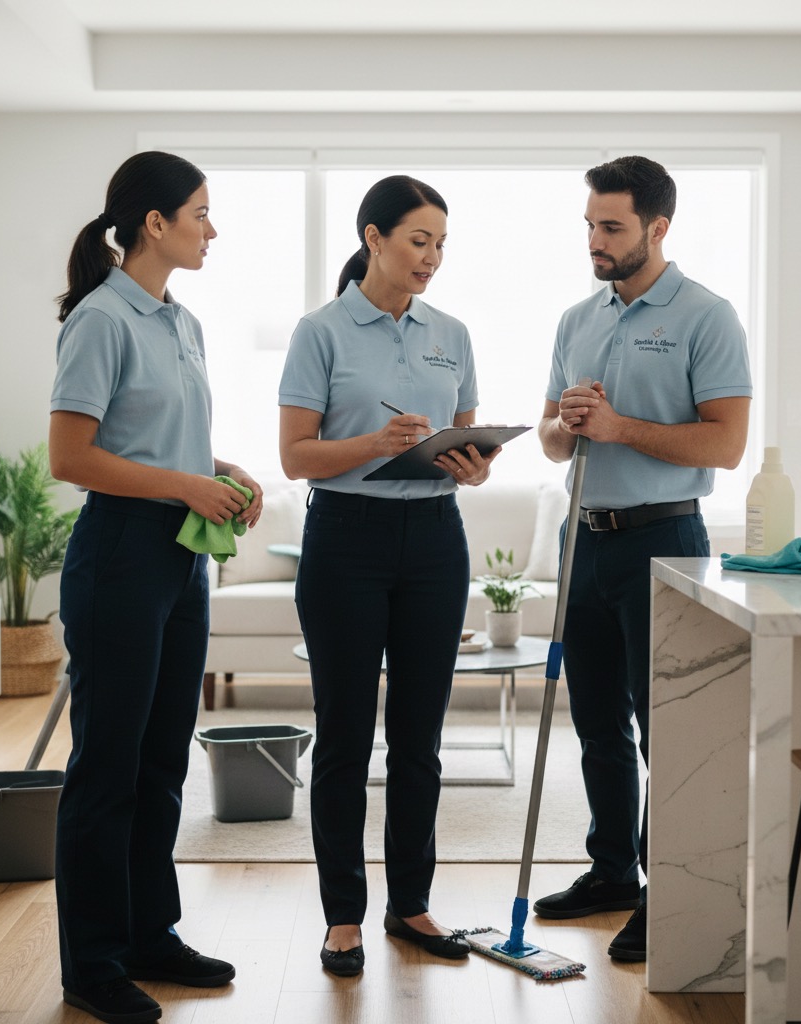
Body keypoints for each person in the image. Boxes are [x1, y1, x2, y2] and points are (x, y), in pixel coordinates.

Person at [49, 150, 263, 1024]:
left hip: (179, 558)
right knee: (108, 766)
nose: (212, 229)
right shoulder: (102, 319)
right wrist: (185, 485)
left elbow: (155, 440)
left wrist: (219, 470)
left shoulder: (183, 322)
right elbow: (72, 458)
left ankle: (149, 933)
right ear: (154, 223)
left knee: (163, 759)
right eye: (201, 213)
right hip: (120, 557)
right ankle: (92, 963)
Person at [279, 175, 499, 977]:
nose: (432, 258)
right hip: (345, 538)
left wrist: (470, 465)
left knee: (420, 739)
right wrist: (374, 443)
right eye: (418, 241)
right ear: (374, 237)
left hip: (437, 537)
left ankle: (411, 904)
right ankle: (344, 916)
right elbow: (296, 456)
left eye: (441, 244)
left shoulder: (453, 332)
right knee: (343, 737)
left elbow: (467, 437)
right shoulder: (321, 331)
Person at [534, 156, 752, 962]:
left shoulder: (707, 316)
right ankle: (611, 870)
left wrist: (621, 427)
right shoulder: (576, 318)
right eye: (590, 224)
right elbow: (553, 437)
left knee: (668, 729)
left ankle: (673, 890)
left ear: (657, 228)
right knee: (595, 721)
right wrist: (569, 424)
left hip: (664, 540)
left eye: (612, 226)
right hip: (582, 536)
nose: (595, 239)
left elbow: (726, 444)